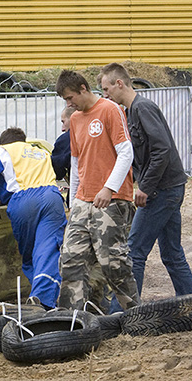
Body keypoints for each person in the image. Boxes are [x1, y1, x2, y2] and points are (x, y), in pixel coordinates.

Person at [99, 63, 192, 297]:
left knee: (134, 251)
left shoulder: (142, 108)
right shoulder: (132, 111)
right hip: (170, 187)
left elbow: (162, 149)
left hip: (161, 191)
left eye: (106, 89)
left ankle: (125, 312)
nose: (105, 95)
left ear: (119, 83)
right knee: (172, 254)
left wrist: (145, 186)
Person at [54, 69, 141, 311]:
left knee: (112, 263)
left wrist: (108, 188)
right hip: (83, 199)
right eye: (65, 101)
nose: (70, 104)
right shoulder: (77, 119)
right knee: (71, 261)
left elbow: (126, 153)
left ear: (83, 88)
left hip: (111, 199)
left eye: (71, 98)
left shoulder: (109, 110)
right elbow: (75, 163)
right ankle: (72, 320)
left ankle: (135, 315)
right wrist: (72, 204)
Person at [0, 128, 67, 308]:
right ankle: (43, 298)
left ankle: (39, 296)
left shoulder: (1, 151)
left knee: (29, 254)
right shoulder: (41, 151)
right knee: (48, 249)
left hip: (24, 200)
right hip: (52, 197)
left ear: (3, 142)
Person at [52, 106, 74, 183]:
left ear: (73, 118)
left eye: (63, 122)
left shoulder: (66, 139)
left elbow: (57, 171)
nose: (62, 129)